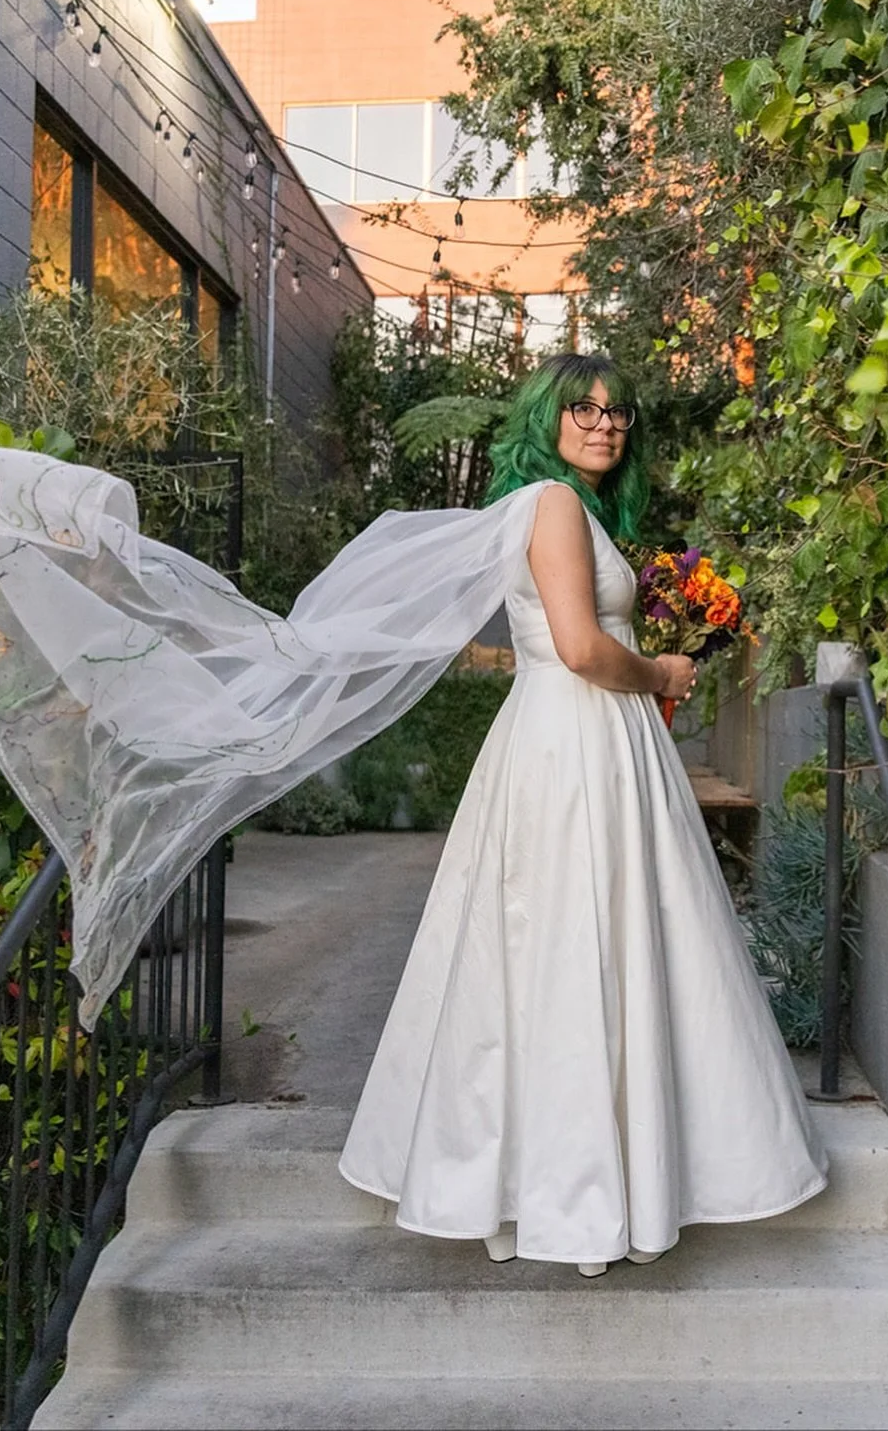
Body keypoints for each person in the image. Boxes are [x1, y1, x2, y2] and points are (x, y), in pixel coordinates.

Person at [337, 352, 828, 1277]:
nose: (604, 423)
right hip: (576, 738)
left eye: (618, 412)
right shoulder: (554, 506)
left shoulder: (568, 506)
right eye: (583, 408)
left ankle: (563, 1185)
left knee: (572, 949)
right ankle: (580, 1199)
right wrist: (665, 672)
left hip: (589, 742)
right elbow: (579, 648)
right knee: (577, 948)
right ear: (547, 417)